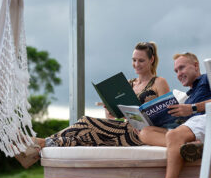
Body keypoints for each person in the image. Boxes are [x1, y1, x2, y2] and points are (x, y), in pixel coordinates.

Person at [16, 42, 170, 168]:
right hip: (123, 129)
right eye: (134, 60)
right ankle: (37, 148)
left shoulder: (159, 82)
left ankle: (40, 143)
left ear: (151, 60)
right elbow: (116, 118)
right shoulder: (128, 84)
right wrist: (109, 110)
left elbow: (167, 115)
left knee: (86, 122)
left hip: (143, 134)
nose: (136, 64)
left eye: (141, 60)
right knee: (85, 136)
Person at [130, 52, 211, 178]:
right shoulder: (189, 97)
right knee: (145, 132)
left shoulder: (209, 78)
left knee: (174, 136)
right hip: (190, 128)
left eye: (181, 67)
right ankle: (188, 145)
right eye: (175, 71)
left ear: (196, 66)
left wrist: (194, 108)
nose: (178, 73)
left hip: (209, 120)